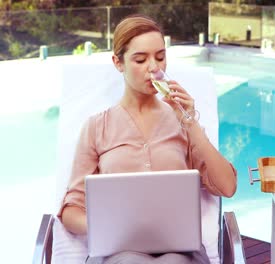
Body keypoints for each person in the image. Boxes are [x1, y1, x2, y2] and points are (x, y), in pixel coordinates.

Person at [57, 14, 237, 264]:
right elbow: (70, 212)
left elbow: (227, 186)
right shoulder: (97, 127)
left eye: (160, 57)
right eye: (140, 59)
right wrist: (111, 226)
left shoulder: (183, 122)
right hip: (119, 251)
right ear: (118, 63)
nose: (154, 67)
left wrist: (191, 122)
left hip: (182, 251)